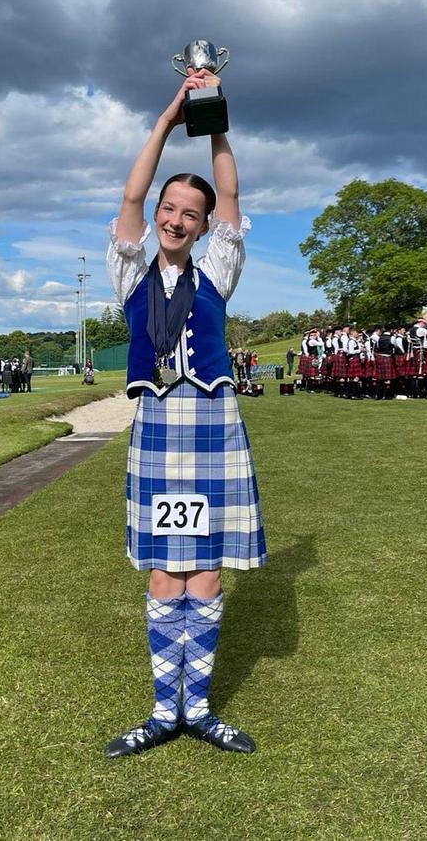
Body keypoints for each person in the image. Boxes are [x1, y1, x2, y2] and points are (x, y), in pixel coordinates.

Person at [102, 67, 264, 758]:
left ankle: (195, 708)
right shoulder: (129, 270)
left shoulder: (218, 273)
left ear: (202, 229)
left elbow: (229, 188)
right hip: (157, 430)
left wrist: (212, 116)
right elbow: (131, 192)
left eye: (188, 215)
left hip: (212, 428)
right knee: (164, 573)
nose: (173, 218)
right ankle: (161, 709)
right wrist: (171, 117)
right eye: (169, 208)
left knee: (206, 571)